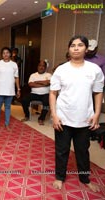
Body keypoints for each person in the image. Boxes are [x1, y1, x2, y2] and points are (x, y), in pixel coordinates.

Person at [49, 35, 103, 192]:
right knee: (61, 150)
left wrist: (97, 114)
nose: (76, 48)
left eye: (80, 45)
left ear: (86, 49)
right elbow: (53, 93)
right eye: (73, 45)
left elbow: (98, 93)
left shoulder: (94, 70)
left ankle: (85, 178)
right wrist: (54, 115)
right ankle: (60, 177)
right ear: (68, 49)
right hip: (63, 118)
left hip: (85, 119)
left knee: (82, 151)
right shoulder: (61, 69)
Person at [0, 47, 21, 130]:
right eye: (4, 53)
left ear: (10, 54)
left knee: (8, 107)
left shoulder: (14, 65)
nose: (5, 54)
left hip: (10, 90)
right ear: (2, 55)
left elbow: (16, 77)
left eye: (7, 52)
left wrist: (18, 89)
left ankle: (7, 124)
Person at [21, 60, 52, 125]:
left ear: (45, 67)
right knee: (24, 100)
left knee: (47, 103)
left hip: (45, 94)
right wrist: (43, 83)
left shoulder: (49, 75)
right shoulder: (33, 75)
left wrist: (36, 82)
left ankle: (41, 118)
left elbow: (47, 83)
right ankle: (27, 115)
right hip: (34, 94)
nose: (41, 67)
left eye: (43, 66)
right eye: (40, 65)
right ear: (37, 66)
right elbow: (31, 84)